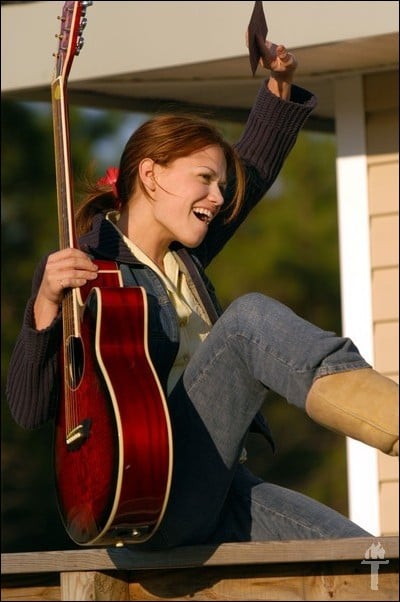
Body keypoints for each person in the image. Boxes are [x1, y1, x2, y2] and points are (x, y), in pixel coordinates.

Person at [6, 36, 398, 551]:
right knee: (247, 322)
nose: (217, 197)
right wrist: (45, 307)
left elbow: (253, 172)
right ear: (151, 175)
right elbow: (29, 410)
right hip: (151, 496)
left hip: (220, 488)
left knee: (366, 559)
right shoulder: (83, 271)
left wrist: (279, 85)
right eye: (205, 179)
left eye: (221, 185)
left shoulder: (184, 256)